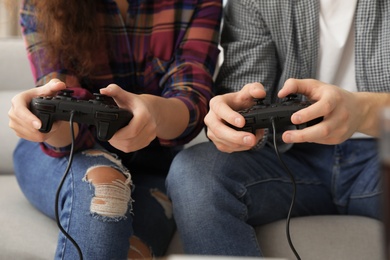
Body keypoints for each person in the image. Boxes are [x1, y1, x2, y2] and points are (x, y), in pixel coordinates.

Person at [166, 0, 388, 257]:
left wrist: (365, 112)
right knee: (194, 173)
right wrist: (231, 125)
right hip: (289, 155)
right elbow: (244, 90)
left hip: (380, 154)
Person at [8, 0, 222, 259]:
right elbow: (64, 128)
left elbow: (192, 99)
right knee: (106, 189)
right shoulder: (40, 4)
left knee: (134, 252)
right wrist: (45, 120)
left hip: (153, 164)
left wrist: (152, 114)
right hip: (62, 152)